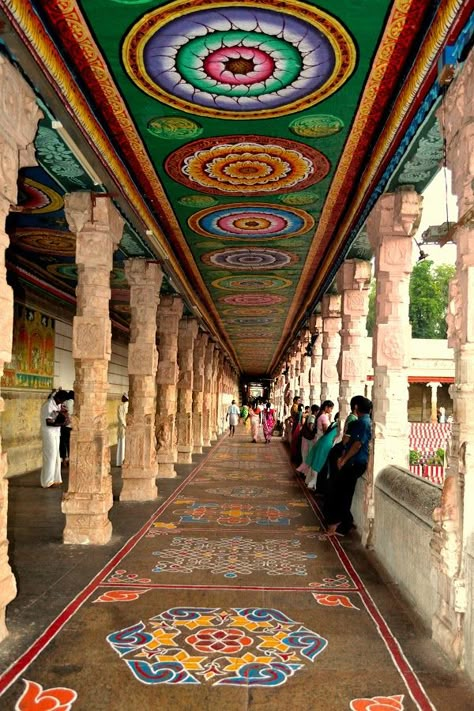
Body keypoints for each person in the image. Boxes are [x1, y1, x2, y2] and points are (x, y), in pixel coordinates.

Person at [325, 397, 372, 536]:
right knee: (343, 491)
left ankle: (342, 524)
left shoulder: (362, 423)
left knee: (342, 492)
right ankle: (344, 522)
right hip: (357, 461)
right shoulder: (366, 421)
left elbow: (357, 445)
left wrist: (343, 460)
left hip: (354, 462)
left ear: (356, 407)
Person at [305, 414, 339, 491]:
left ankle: (313, 483)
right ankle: (314, 484)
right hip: (326, 445)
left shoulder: (333, 424)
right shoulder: (338, 426)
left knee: (316, 463)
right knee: (319, 465)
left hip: (322, 442)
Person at [40, 389, 67, 488]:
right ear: (58, 398)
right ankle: (47, 481)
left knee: (56, 456)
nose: (62, 403)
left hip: (56, 432)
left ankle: (56, 479)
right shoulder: (48, 405)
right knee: (50, 456)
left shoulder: (57, 404)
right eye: (62, 400)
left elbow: (58, 416)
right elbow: (48, 422)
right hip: (48, 433)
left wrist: (63, 419)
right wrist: (61, 423)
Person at [296, 404, 319, 476]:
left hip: (305, 438)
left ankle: (303, 471)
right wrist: (315, 431)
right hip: (308, 438)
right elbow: (310, 427)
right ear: (316, 411)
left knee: (305, 455)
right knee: (307, 456)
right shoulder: (312, 417)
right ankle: (301, 470)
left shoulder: (309, 416)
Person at [59, 390, 74, 464]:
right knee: (69, 444)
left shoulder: (66, 402)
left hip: (64, 426)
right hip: (70, 426)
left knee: (62, 444)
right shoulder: (73, 402)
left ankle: (64, 459)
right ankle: (70, 459)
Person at [116, 393, 129, 466]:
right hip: (128, 427)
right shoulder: (129, 407)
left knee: (121, 443)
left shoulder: (120, 407)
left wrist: (124, 425)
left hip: (122, 427)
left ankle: (120, 462)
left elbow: (120, 418)